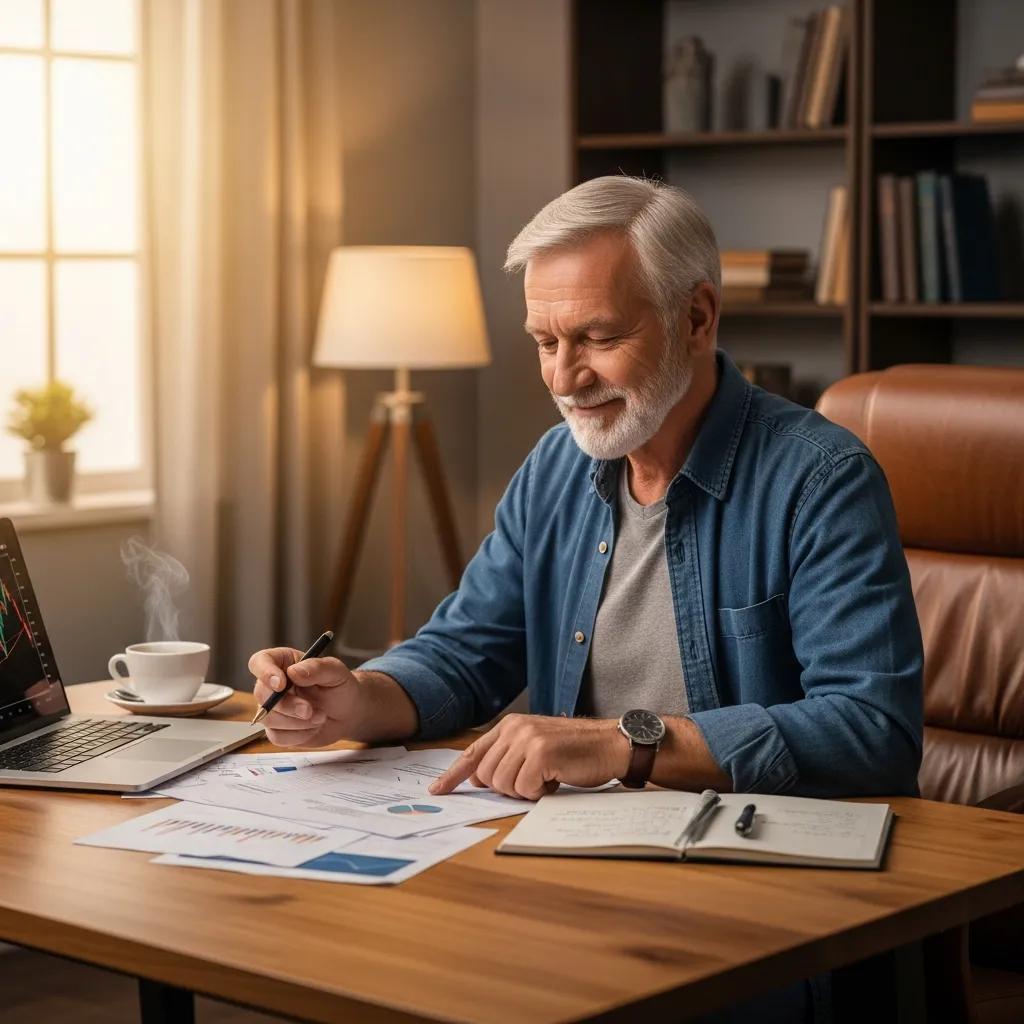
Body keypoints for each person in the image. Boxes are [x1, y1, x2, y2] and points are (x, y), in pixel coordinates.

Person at [248, 175, 923, 806]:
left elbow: (871, 731)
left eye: (598, 337)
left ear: (696, 319)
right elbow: (461, 655)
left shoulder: (822, 479)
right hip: (577, 850)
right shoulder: (554, 467)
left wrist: (624, 743)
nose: (565, 379)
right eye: (545, 342)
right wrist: (358, 699)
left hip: (749, 861)